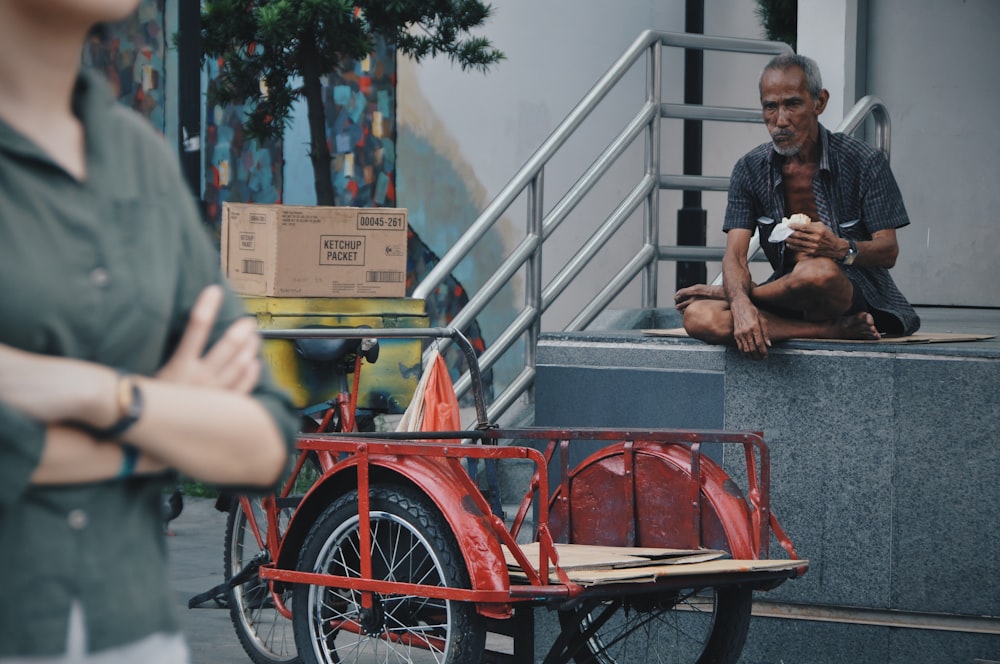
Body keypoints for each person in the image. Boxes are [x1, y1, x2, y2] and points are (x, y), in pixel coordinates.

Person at [0, 1, 299, 662]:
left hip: (135, 634)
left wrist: (106, 398)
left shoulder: (139, 158)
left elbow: (265, 441)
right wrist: (169, 419)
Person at [674, 53, 920, 360]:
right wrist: (739, 304)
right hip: (786, 292)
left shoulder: (864, 161)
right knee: (698, 317)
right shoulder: (750, 168)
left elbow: (888, 251)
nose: (780, 120)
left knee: (817, 272)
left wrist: (840, 247)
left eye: (792, 104)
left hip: (848, 291)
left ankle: (745, 297)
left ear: (819, 102)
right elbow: (735, 255)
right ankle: (832, 331)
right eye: (770, 106)